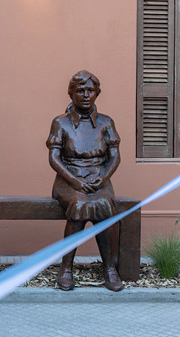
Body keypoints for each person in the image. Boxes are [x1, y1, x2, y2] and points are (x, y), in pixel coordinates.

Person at [46, 70, 123, 291]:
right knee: (80, 205)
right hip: (69, 179)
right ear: (71, 94)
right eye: (80, 91)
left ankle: (109, 268)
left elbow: (115, 156)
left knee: (102, 205)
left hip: (99, 177)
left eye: (90, 90)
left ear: (97, 93)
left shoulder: (106, 122)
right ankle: (66, 268)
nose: (86, 95)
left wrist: (104, 178)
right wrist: (74, 181)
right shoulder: (60, 123)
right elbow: (53, 157)